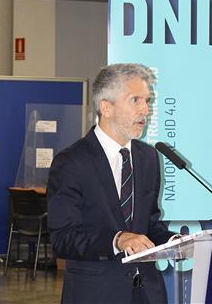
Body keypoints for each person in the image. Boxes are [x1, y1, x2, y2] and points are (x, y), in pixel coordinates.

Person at [47, 63, 176, 304]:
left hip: (147, 293)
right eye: (135, 100)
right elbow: (63, 238)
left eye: (147, 101)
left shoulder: (148, 157)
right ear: (106, 107)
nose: (145, 110)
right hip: (96, 293)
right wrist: (117, 240)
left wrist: (174, 242)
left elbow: (148, 225)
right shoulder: (72, 162)